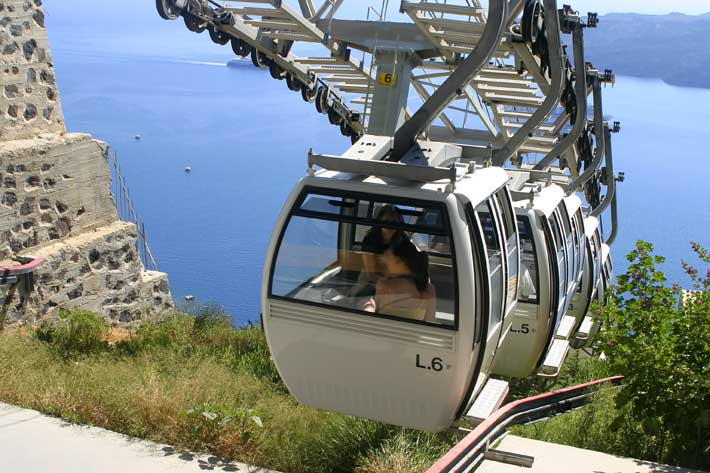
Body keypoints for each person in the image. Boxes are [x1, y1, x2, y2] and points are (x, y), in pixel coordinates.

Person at [362, 236, 437, 321]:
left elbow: (373, 319)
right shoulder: (428, 289)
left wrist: (369, 307)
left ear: (400, 262)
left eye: (387, 257)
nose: (383, 260)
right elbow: (430, 322)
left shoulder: (384, 286)